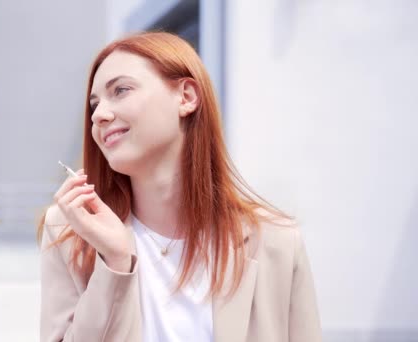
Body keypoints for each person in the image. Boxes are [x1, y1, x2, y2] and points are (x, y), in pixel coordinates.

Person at [37, 31, 322, 342]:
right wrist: (115, 263)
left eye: (120, 90)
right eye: (94, 105)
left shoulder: (277, 244)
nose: (100, 116)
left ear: (186, 97)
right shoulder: (69, 234)